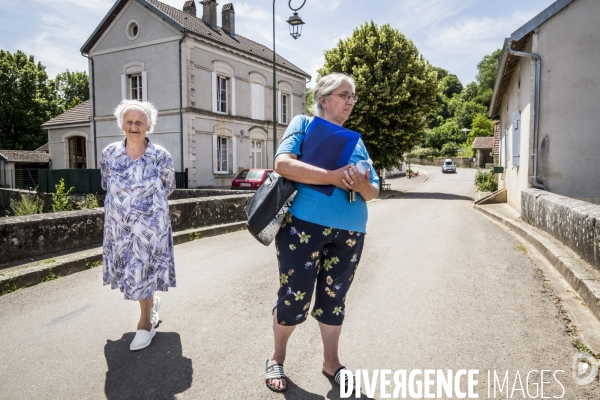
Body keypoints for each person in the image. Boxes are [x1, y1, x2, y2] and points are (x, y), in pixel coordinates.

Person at [265, 73, 380, 393]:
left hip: (351, 233)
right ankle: (276, 358)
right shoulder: (303, 124)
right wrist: (331, 176)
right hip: (303, 227)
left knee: (334, 300)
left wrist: (362, 186)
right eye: (345, 94)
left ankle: (332, 363)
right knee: (293, 298)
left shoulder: (356, 140)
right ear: (325, 99)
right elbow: (283, 164)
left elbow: (374, 192)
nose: (351, 101)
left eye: (353, 96)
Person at [100, 99, 176, 351]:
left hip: (149, 227)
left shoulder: (161, 157)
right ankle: (151, 305)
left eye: (139, 123)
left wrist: (145, 212)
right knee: (131, 273)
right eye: (129, 121)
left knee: (142, 270)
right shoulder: (109, 153)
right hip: (119, 227)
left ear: (148, 127)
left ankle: (145, 325)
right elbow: (106, 185)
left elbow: (168, 188)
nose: (134, 126)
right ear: (122, 124)